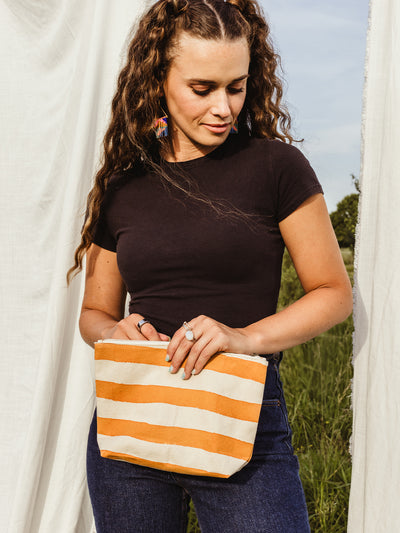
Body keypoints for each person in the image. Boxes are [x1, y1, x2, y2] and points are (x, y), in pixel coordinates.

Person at [69, 0, 353, 531]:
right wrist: (116, 331)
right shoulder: (123, 186)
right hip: (133, 418)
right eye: (202, 89)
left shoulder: (277, 168)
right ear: (158, 82)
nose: (223, 107)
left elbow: (332, 292)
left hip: (241, 412)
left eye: (236, 86)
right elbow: (94, 312)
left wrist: (243, 337)